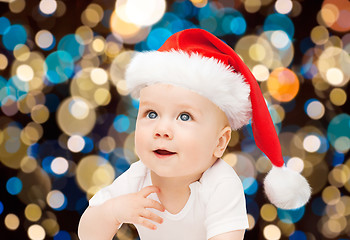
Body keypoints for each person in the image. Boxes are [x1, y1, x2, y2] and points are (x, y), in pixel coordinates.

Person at [78, 28, 311, 240]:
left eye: (184, 117)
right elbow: (88, 234)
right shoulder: (138, 176)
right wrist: (112, 212)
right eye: (151, 114)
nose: (161, 130)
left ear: (220, 143)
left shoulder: (221, 184)